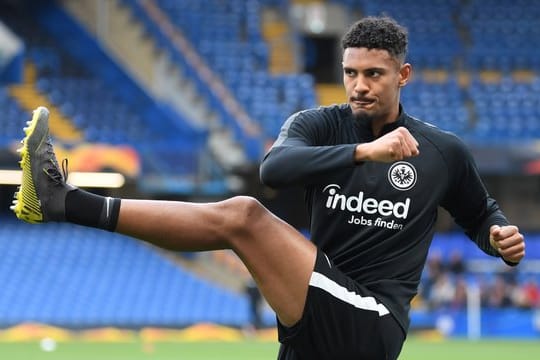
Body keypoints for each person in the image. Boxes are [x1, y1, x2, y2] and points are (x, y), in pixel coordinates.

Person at [11, 16, 525, 360]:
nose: (360, 85)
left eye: (374, 73)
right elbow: (274, 169)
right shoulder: (320, 124)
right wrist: (364, 152)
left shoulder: (443, 151)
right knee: (246, 210)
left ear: (403, 75)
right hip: (312, 313)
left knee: (243, 217)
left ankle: (64, 203)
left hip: (372, 320)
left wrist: (498, 234)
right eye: (350, 73)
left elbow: (480, 215)